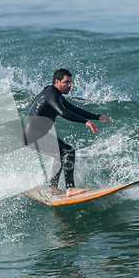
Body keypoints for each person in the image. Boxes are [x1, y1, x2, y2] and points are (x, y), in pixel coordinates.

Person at [23, 68, 111, 197]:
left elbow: (74, 109)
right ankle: (70, 188)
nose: (69, 85)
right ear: (57, 82)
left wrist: (97, 116)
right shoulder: (50, 94)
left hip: (32, 135)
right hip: (33, 134)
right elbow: (63, 112)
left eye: (70, 82)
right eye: (66, 82)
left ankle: (52, 188)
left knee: (60, 154)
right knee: (68, 150)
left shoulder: (56, 95)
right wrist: (85, 122)